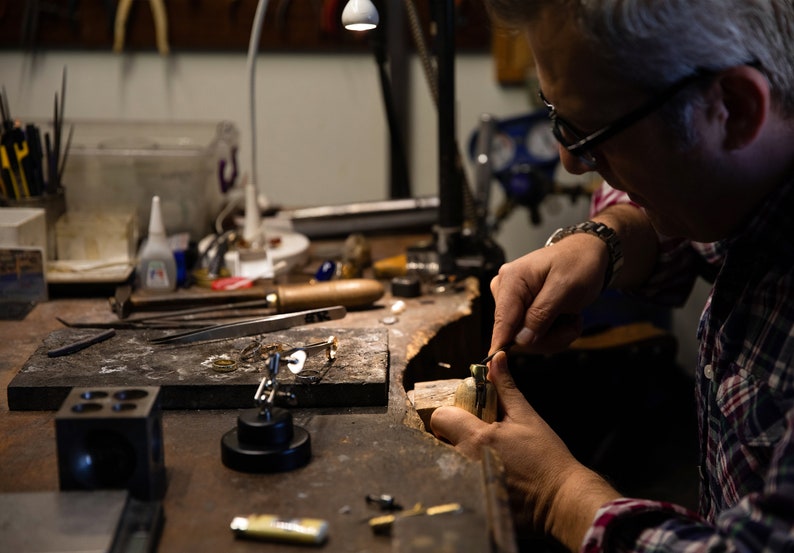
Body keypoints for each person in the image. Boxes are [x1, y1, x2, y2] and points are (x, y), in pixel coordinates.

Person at [430, 1, 794, 551]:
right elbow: (698, 220)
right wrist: (607, 241)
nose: (571, 162)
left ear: (734, 110)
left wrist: (556, 493)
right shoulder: (754, 167)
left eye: (589, 130)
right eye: (556, 115)